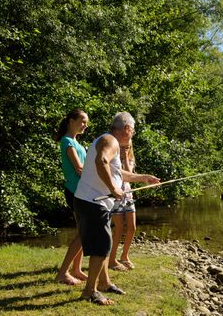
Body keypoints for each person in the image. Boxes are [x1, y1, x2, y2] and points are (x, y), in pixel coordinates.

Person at [74, 112, 160, 305]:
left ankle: (104, 282)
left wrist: (144, 177)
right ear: (127, 129)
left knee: (104, 243)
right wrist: (113, 188)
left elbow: (117, 172)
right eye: (133, 131)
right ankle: (90, 291)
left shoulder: (107, 140)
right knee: (102, 246)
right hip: (92, 202)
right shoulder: (110, 141)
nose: (133, 135)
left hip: (89, 201)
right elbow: (101, 161)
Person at [54, 109, 89, 285]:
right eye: (82, 121)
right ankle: (63, 273)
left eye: (86, 122)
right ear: (70, 121)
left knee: (82, 231)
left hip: (81, 191)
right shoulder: (67, 141)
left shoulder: (76, 142)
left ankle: (76, 269)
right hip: (75, 192)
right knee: (84, 232)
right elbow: (79, 168)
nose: (85, 125)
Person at [108, 140, 137, 271]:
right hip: (116, 196)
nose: (126, 148)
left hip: (128, 195)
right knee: (119, 227)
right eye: (123, 146)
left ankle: (124, 256)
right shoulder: (113, 159)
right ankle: (111, 258)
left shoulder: (130, 159)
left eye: (128, 146)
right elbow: (121, 176)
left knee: (132, 227)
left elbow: (129, 174)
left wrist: (125, 156)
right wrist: (122, 156)